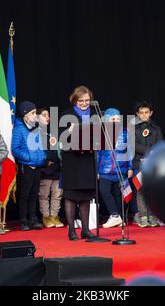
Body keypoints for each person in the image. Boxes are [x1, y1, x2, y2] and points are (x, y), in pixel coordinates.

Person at [59, 86, 98, 241]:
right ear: (75, 100)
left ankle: (86, 230)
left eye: (87, 100)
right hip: (72, 160)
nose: (84, 103)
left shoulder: (94, 114)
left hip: (87, 159)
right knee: (71, 195)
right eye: (81, 100)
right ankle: (71, 230)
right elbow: (61, 138)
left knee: (86, 196)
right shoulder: (67, 114)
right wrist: (71, 130)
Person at [12, 101, 47, 231]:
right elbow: (15, 149)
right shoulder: (19, 129)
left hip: (37, 166)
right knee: (24, 195)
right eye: (32, 113)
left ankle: (33, 218)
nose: (35, 115)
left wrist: (42, 157)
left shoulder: (36, 128)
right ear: (25, 115)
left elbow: (41, 145)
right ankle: (23, 220)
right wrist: (29, 158)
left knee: (34, 194)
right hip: (26, 167)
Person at [97, 108, 133, 228]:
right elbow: (98, 153)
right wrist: (97, 169)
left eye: (118, 119)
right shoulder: (101, 133)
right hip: (105, 169)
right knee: (104, 190)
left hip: (120, 169)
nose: (116, 121)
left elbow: (129, 151)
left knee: (118, 194)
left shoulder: (125, 133)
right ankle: (115, 215)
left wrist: (130, 167)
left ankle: (118, 217)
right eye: (113, 119)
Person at [132, 101, 163, 227]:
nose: (144, 115)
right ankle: (142, 216)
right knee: (140, 190)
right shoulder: (133, 128)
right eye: (141, 113)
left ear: (151, 113)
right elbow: (133, 145)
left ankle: (152, 215)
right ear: (137, 114)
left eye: (146, 112)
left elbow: (160, 144)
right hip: (139, 162)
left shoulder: (156, 129)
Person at [37, 107, 64, 228]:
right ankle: (46, 216)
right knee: (44, 194)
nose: (47, 117)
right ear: (37, 117)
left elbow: (58, 148)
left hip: (57, 170)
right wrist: (45, 162)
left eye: (48, 115)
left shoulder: (51, 133)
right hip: (45, 170)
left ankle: (54, 215)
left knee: (57, 194)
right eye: (44, 115)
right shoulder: (35, 133)